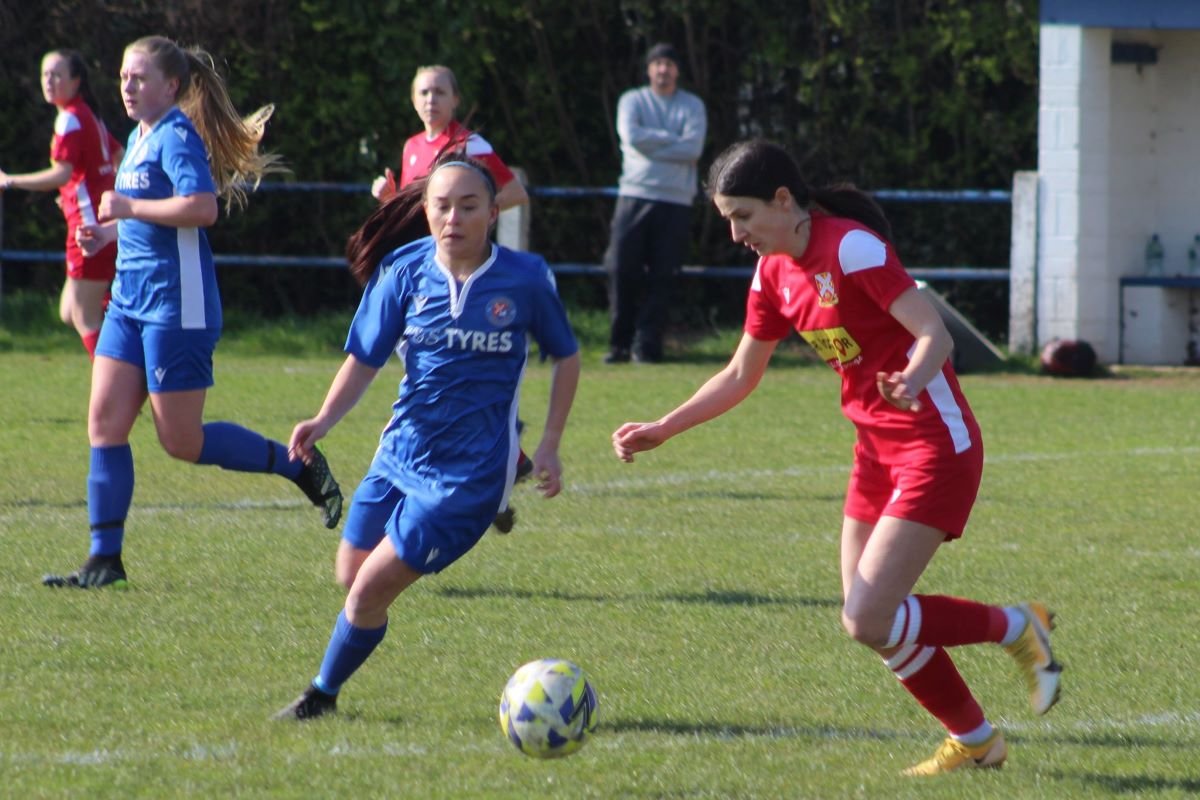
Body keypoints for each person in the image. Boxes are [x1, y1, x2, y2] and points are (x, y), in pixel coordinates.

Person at [611, 139, 1063, 775]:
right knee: (869, 621)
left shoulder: (849, 247)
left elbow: (935, 334)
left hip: (936, 442)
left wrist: (910, 377)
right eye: (726, 221)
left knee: (868, 616)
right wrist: (665, 427)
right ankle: (979, 737)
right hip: (874, 451)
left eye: (742, 216)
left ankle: (1015, 629)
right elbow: (741, 373)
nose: (736, 234)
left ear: (784, 200)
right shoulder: (772, 274)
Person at [273, 157, 580, 720]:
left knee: (366, 592)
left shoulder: (526, 278)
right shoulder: (404, 270)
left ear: (492, 212)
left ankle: (321, 695)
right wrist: (322, 420)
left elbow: (567, 355)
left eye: (468, 206)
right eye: (441, 206)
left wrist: (552, 442)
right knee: (350, 575)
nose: (453, 218)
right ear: (424, 210)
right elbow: (363, 359)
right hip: (399, 453)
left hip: (467, 477)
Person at [41, 35, 343, 590]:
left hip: (178, 305)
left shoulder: (178, 136)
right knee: (104, 424)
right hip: (130, 300)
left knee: (181, 441)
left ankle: (296, 464)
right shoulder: (137, 136)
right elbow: (149, 216)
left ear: (171, 86)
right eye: (124, 77)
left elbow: (201, 208)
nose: (127, 87)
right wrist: (108, 230)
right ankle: (104, 560)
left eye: (139, 78)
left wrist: (127, 206)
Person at [0, 49, 124, 359]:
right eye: (45, 74)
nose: (49, 81)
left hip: (90, 229)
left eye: (57, 74)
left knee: (84, 315)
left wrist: (10, 180)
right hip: (95, 222)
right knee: (70, 311)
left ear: (76, 80)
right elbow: (117, 156)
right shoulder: (86, 114)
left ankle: (117, 390)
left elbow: (63, 172)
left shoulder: (71, 118)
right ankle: (127, 321)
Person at [602, 42, 707, 364]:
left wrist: (651, 144)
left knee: (664, 275)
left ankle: (647, 346)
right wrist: (671, 141)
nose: (663, 69)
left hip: (675, 201)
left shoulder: (692, 105)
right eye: (658, 63)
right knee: (620, 268)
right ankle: (618, 343)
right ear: (649, 69)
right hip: (633, 194)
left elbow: (692, 149)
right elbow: (631, 138)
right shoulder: (631, 100)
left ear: (677, 70)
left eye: (669, 64)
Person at [370, 65, 528, 212]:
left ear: (455, 100)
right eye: (424, 92)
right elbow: (413, 209)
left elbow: (516, 193)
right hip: (421, 241)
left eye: (439, 92)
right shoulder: (412, 145)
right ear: (414, 101)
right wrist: (390, 198)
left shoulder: (468, 143)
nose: (431, 100)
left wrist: (470, 214)